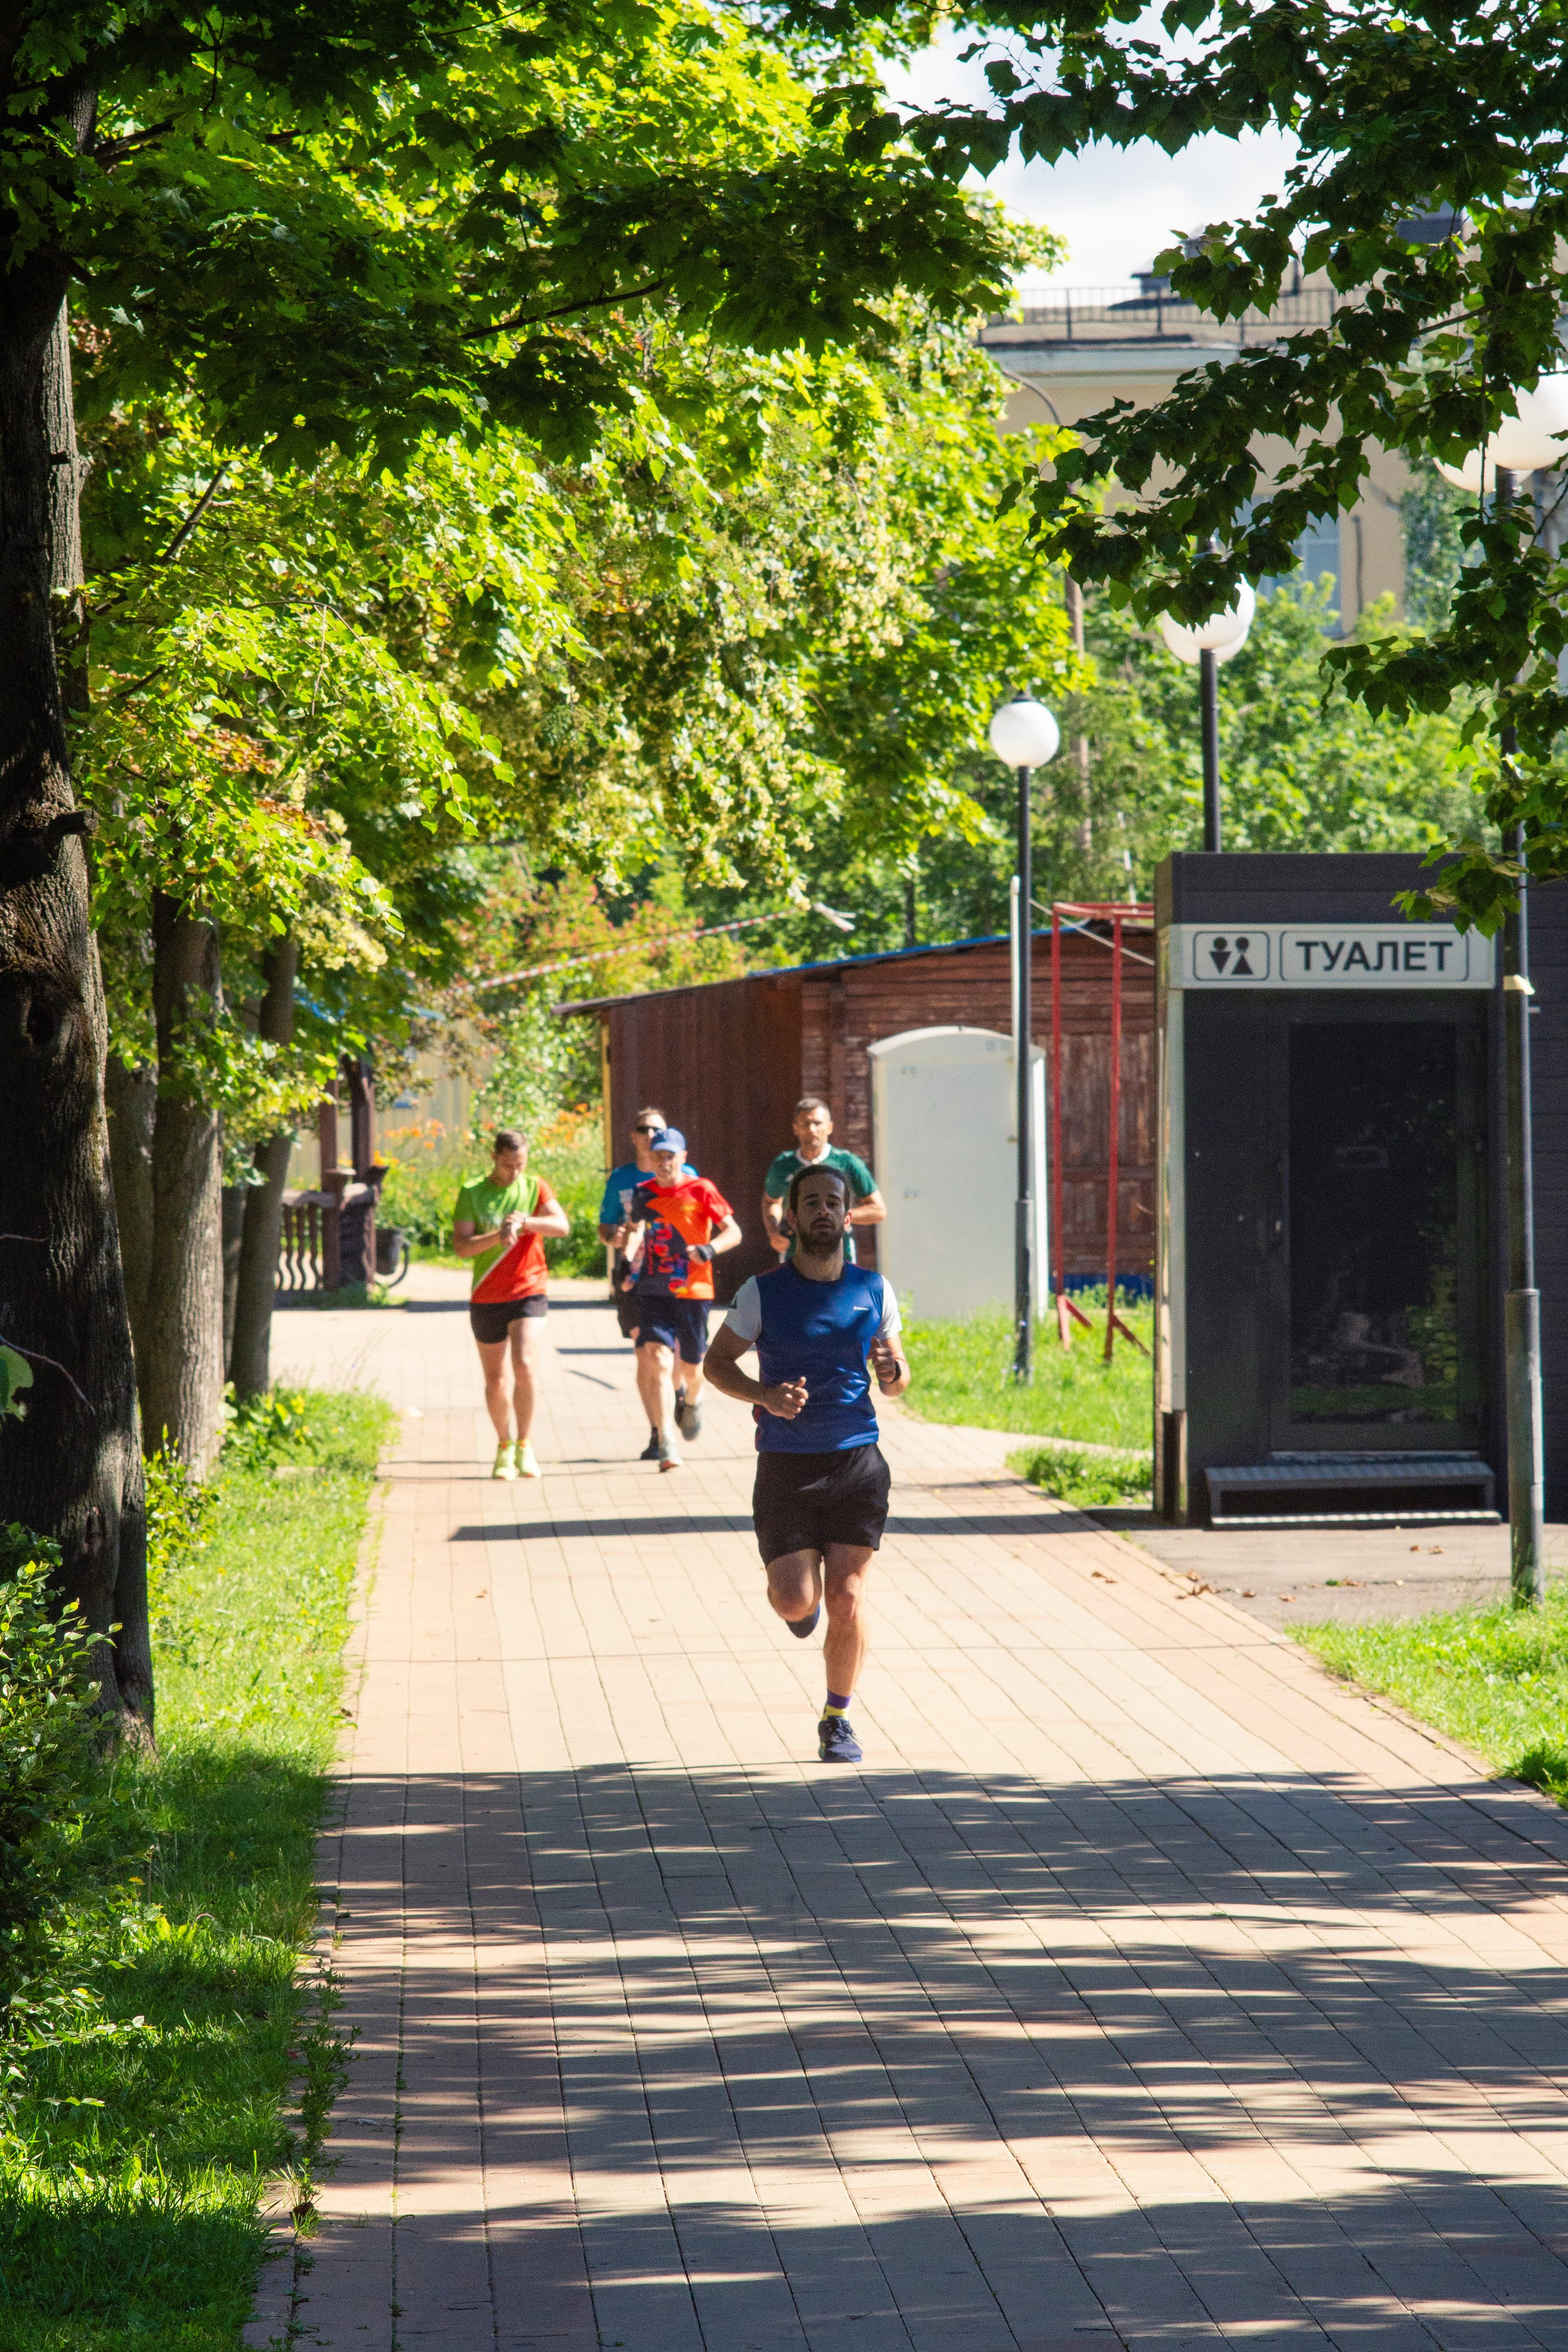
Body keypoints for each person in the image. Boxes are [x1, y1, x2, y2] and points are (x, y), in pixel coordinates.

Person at [704, 1162, 908, 1763]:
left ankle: (837, 1718)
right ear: (790, 1218)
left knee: (847, 1598)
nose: (823, 1210)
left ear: (849, 1216)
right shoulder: (762, 1292)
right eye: (811, 1202)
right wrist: (764, 1396)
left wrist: (893, 1371)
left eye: (833, 1202)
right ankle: (801, 1607)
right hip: (787, 1466)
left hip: (856, 1462)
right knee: (795, 1600)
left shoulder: (874, 1289)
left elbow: (896, 1380)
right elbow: (716, 1364)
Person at [452, 1128, 570, 1480]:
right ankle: (504, 1445)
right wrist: (499, 1235)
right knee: (496, 1381)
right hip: (487, 1294)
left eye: (521, 1164)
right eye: (508, 1165)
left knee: (525, 1365)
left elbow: (561, 1226)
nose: (515, 1172)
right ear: (494, 1158)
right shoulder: (473, 1192)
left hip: (529, 1289)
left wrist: (525, 1222)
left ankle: (525, 1444)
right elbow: (462, 1247)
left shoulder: (535, 1186)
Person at [620, 1129, 740, 1471]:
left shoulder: (702, 1189)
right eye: (658, 1157)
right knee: (657, 1359)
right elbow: (635, 1231)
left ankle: (694, 1399)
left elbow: (734, 1232)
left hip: (693, 1290)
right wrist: (628, 1263)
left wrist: (709, 1249)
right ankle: (666, 1442)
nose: (664, 1163)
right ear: (650, 1159)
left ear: (683, 1158)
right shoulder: (643, 1193)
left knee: (691, 1367)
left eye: (670, 1157)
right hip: (652, 1289)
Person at [597, 1106, 701, 1460]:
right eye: (644, 1129)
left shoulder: (688, 1176)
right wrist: (615, 1238)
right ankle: (660, 1433)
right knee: (647, 1354)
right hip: (636, 1274)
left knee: (680, 1356)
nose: (652, 1136)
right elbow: (605, 1227)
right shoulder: (622, 1179)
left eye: (658, 1130)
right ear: (634, 1137)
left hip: (680, 1276)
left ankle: (682, 1395)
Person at [761, 1096, 886, 1264]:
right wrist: (774, 1231)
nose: (812, 1129)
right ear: (795, 1128)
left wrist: (840, 1215)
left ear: (830, 1127)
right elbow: (771, 1201)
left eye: (818, 1123)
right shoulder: (784, 1165)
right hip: (795, 1254)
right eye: (805, 1124)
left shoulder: (847, 1163)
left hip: (840, 1256)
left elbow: (878, 1210)